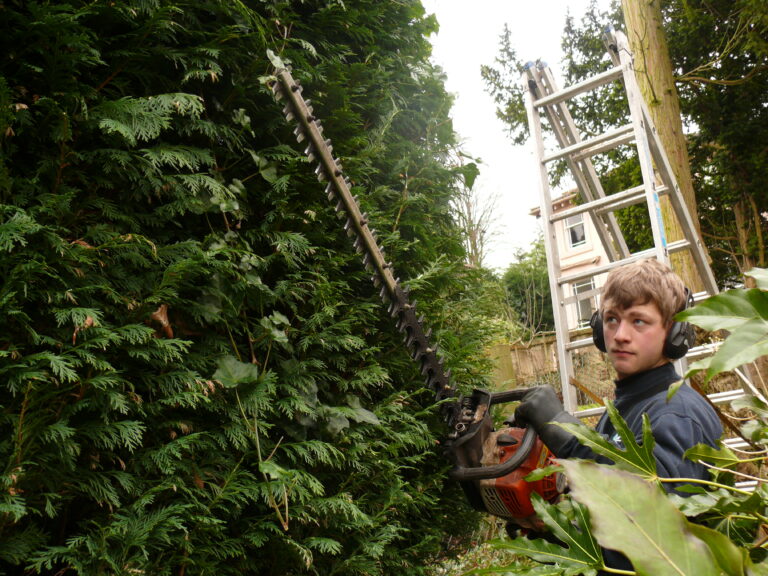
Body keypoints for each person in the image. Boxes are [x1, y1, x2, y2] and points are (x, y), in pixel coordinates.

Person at [513, 258, 723, 571]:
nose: (621, 334)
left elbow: (651, 531)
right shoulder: (629, 405)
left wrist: (566, 436)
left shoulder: (676, 414)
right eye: (612, 319)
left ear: (674, 332)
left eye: (639, 321)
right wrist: (545, 527)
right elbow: (606, 532)